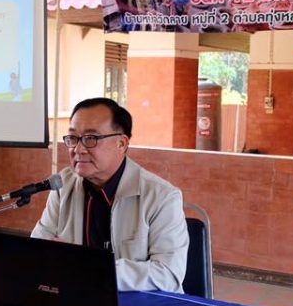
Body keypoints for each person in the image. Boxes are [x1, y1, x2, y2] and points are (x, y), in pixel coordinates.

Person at [32, 98, 189, 292]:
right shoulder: (63, 185)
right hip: (75, 298)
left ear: (121, 143)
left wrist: (87, 267)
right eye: (72, 138)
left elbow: (168, 274)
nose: (78, 149)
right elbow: (37, 250)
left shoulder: (161, 196)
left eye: (91, 138)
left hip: (138, 305)